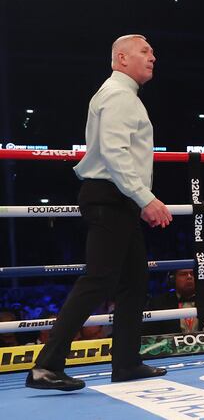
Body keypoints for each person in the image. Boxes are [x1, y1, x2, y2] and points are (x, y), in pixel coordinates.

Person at [26, 34, 171, 392]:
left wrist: (137, 198)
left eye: (152, 51)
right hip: (110, 195)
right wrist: (145, 198)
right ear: (121, 58)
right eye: (144, 51)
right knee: (98, 281)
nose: (153, 57)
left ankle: (125, 362)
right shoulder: (119, 95)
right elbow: (115, 154)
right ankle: (46, 366)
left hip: (118, 197)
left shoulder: (124, 95)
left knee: (134, 283)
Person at [144, 269, 199, 335]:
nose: (189, 277)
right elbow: (149, 335)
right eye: (183, 274)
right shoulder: (158, 304)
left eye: (192, 274)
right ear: (173, 279)